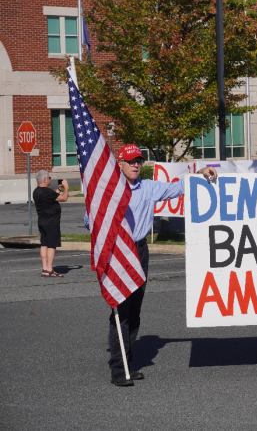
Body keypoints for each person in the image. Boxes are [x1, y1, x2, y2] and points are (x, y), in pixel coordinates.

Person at [85, 144, 218, 387]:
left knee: (134, 310)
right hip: (117, 252)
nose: (136, 165)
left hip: (140, 250)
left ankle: (129, 363)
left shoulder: (148, 187)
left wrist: (201, 173)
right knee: (120, 311)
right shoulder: (109, 190)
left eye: (139, 161)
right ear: (120, 163)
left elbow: (177, 187)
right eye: (131, 161)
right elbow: (90, 219)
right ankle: (118, 368)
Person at [33, 171, 69, 277]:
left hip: (42, 222)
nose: (50, 179)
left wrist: (59, 189)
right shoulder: (46, 192)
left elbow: (52, 197)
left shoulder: (37, 191)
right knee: (51, 246)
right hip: (52, 223)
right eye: (49, 177)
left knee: (44, 244)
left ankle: (44, 268)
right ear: (45, 180)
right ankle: (50, 269)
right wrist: (66, 188)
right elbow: (63, 198)